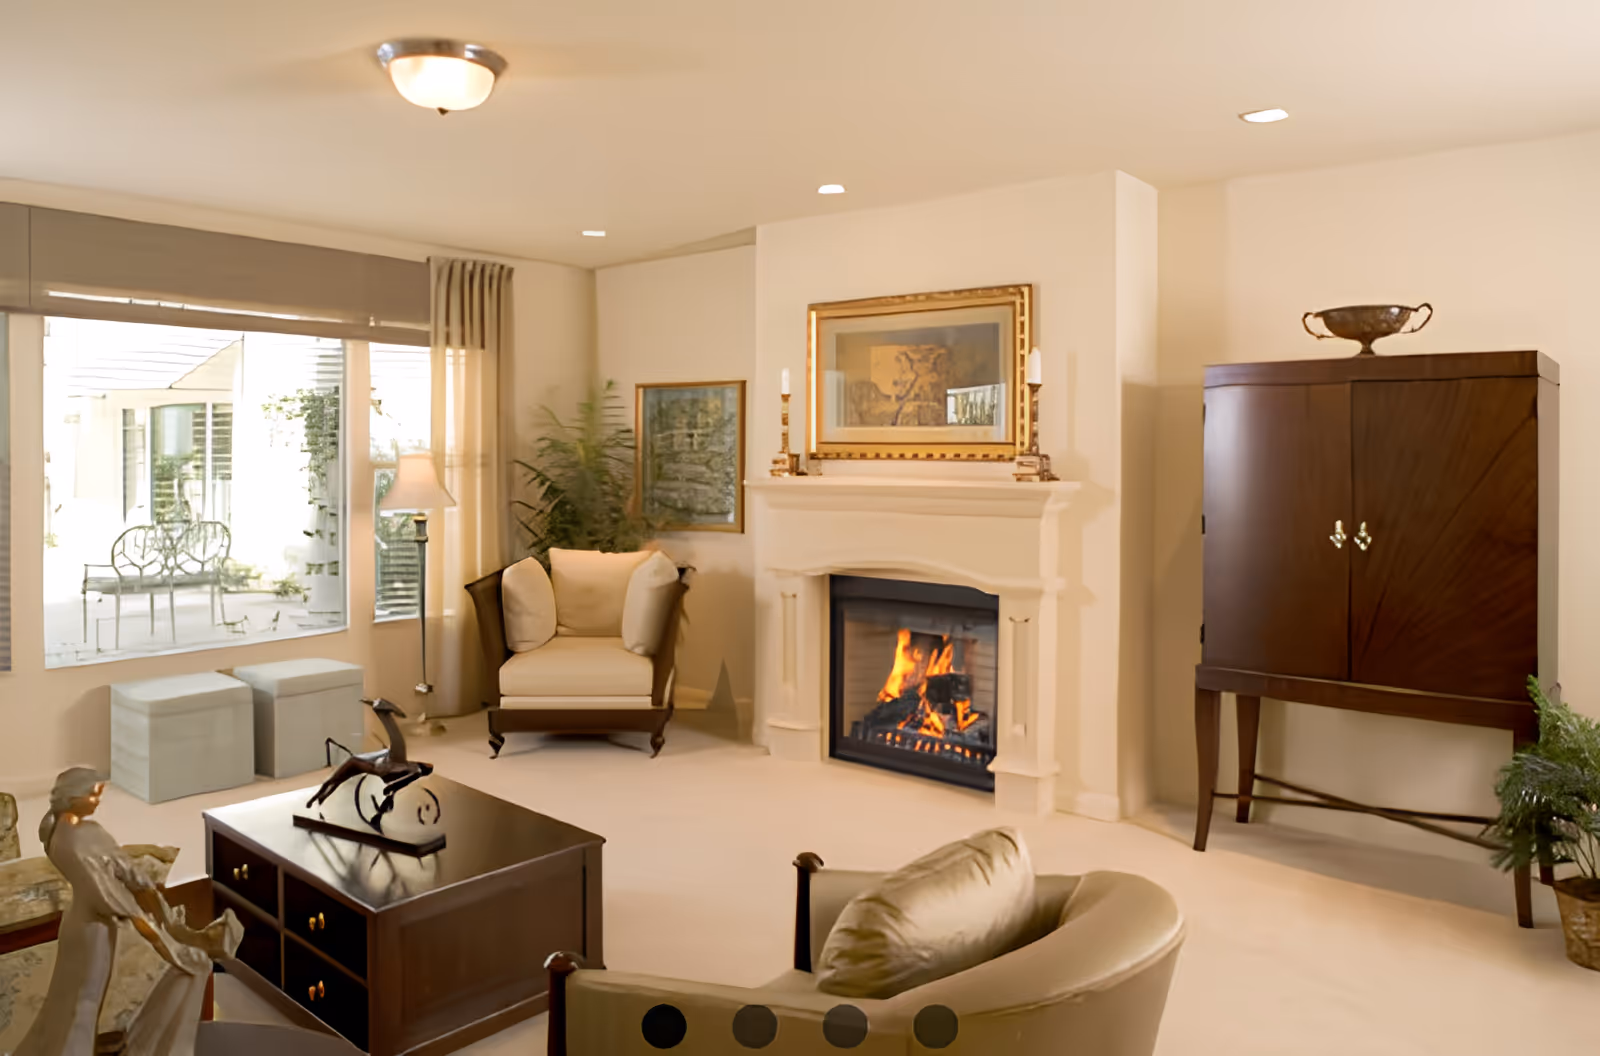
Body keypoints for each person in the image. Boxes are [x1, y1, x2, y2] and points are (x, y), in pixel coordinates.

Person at [11, 768, 241, 1056]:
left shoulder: (85, 831)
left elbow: (132, 876)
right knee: (81, 1002)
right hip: (88, 932)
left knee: (84, 1001)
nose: (97, 800)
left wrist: (170, 922)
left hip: (95, 926)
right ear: (73, 797)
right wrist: (171, 950)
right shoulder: (70, 845)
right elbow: (124, 905)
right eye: (93, 793)